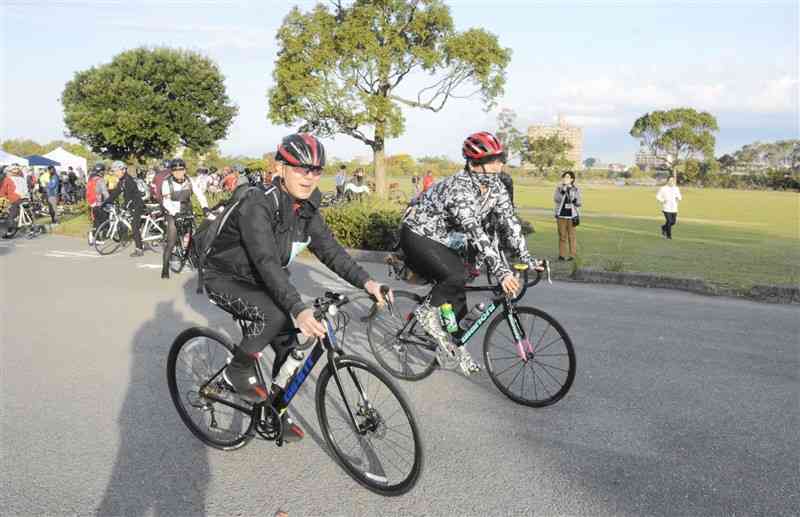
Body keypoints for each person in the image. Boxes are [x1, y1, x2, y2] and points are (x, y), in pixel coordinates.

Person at [202, 133, 392, 440]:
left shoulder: (304, 207)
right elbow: (265, 260)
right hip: (224, 276)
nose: (309, 176)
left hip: (263, 278)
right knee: (276, 316)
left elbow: (329, 250)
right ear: (281, 167)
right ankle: (236, 370)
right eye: (300, 168)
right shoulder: (258, 204)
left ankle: (274, 410)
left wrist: (368, 282)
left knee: (290, 347)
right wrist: (298, 309)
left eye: (316, 170)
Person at [400, 131, 542, 375]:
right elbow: (476, 232)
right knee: (454, 275)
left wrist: (527, 258)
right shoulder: (459, 189)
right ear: (475, 164)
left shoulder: (495, 185)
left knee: (460, 293)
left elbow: (510, 222)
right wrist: (502, 273)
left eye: (501, 157)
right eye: (495, 159)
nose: (501, 163)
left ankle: (455, 347)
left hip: (447, 240)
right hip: (419, 235)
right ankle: (425, 312)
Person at [159, 158, 209, 279]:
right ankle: (165, 268)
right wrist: (174, 213)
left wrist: (205, 207)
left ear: (185, 170)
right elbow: (166, 201)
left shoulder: (190, 181)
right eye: (175, 170)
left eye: (181, 170)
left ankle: (192, 256)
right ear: (171, 171)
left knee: (194, 236)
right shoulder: (167, 183)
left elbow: (199, 194)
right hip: (173, 212)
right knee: (171, 241)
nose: (178, 172)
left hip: (187, 210)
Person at [105, 160, 146, 257]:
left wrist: (125, 206)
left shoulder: (128, 180)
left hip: (137, 205)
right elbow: (116, 192)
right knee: (123, 221)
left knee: (134, 226)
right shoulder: (122, 180)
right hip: (131, 204)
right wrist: (105, 202)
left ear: (122, 170)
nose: (115, 173)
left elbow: (130, 197)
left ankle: (139, 249)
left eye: (116, 171)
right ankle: (123, 238)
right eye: (114, 171)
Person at [553, 171, 581, 261]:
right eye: (564, 177)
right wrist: (563, 191)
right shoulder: (559, 188)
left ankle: (572, 255)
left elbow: (579, 203)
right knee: (562, 236)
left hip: (572, 216)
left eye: (568, 177)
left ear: (572, 179)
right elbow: (556, 199)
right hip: (561, 216)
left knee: (572, 236)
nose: (565, 178)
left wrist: (574, 199)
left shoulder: (575, 189)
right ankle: (562, 255)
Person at [86, 163, 110, 234]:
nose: (104, 172)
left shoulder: (91, 179)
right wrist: (110, 200)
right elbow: (105, 193)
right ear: (101, 171)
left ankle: (93, 236)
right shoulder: (100, 180)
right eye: (103, 171)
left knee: (96, 220)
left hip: (92, 203)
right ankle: (99, 236)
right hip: (99, 203)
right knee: (104, 219)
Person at [1, 166, 23, 239]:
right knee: (14, 213)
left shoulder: (7, 179)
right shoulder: (20, 178)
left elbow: (2, 191)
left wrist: (2, 196)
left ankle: (11, 231)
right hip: (22, 198)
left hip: (14, 199)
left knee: (10, 216)